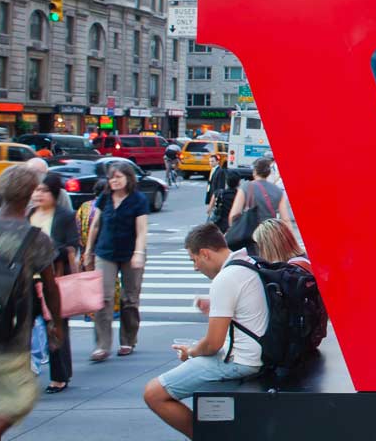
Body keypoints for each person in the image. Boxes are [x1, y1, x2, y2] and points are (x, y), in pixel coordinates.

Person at [144, 223, 267, 439]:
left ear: (205, 254)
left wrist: (189, 352)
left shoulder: (225, 278)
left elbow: (213, 344)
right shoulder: (247, 263)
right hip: (256, 353)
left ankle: (206, 437)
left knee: (153, 393)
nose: (195, 267)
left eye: (194, 260)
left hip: (241, 362)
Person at [0, 163, 62, 441]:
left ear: (0, 191)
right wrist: (55, 324)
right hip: (9, 331)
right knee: (19, 397)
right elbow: (51, 286)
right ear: (31, 194)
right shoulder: (36, 239)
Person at [83, 160, 149, 361]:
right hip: (105, 251)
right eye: (112, 178)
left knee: (130, 298)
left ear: (129, 178)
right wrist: (88, 251)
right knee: (104, 298)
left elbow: (142, 229)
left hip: (130, 253)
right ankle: (102, 345)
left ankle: (128, 339)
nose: (115, 181)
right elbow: (95, 226)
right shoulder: (105, 198)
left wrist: (138, 253)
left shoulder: (138, 199)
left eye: (119, 177)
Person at [27, 174, 79, 393]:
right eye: (36, 190)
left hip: (54, 279)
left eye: (44, 191)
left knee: (55, 327)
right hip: (28, 280)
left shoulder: (65, 216)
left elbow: (72, 245)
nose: (38, 195)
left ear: (55, 194)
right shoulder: (29, 214)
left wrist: (48, 250)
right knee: (23, 328)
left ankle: (60, 375)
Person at [227, 157, 291, 242]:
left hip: (249, 234)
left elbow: (234, 214)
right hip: (269, 235)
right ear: (268, 173)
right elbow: (285, 219)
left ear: (254, 172)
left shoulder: (246, 187)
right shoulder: (278, 191)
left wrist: (234, 230)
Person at [207, 167, 243, 234]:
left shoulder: (218, 193)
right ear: (239, 183)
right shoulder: (240, 195)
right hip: (234, 226)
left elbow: (209, 210)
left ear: (226, 182)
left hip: (219, 226)